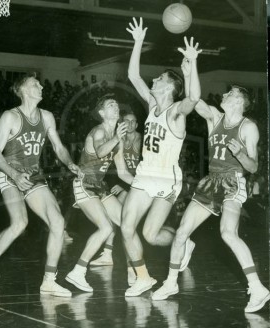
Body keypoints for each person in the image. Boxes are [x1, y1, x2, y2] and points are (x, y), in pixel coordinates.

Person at [152, 85, 270, 313]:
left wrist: (240, 154)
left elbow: (254, 166)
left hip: (233, 182)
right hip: (211, 182)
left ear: (239, 101)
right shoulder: (215, 117)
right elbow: (195, 99)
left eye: (230, 93)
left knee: (227, 233)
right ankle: (170, 283)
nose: (223, 94)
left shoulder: (249, 127)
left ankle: (257, 288)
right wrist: (190, 66)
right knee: (181, 233)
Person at [0, 73, 82, 298]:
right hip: (10, 174)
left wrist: (70, 163)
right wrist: (13, 173)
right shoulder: (10, 117)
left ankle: (49, 281)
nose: (41, 86)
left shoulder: (47, 117)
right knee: (20, 222)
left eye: (41, 83)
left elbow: (59, 148)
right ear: (22, 89)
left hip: (33, 176)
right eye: (35, 84)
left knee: (58, 222)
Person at [121, 17, 202, 297]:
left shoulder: (176, 111)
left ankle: (185, 243)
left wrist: (191, 68)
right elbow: (133, 76)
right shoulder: (153, 104)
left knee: (151, 235)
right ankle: (143, 277)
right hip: (145, 174)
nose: (153, 79)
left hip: (167, 178)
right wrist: (138, 42)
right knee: (127, 226)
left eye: (159, 79)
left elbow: (193, 98)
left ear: (169, 87)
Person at [65, 94, 134, 292]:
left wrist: (142, 183)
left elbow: (122, 173)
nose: (115, 106)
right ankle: (77, 272)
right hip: (84, 184)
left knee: (127, 224)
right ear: (102, 113)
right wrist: (116, 138)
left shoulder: (117, 139)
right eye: (110, 105)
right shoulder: (98, 132)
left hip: (99, 186)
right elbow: (101, 152)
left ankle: (134, 272)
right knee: (105, 228)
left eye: (116, 104)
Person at [90, 110, 141, 268]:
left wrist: (125, 185)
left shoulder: (141, 139)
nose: (130, 124)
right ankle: (109, 254)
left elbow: (142, 168)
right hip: (126, 181)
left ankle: (126, 261)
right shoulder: (117, 138)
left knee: (124, 221)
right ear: (122, 123)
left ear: (137, 124)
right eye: (127, 121)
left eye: (133, 121)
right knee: (118, 218)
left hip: (137, 182)